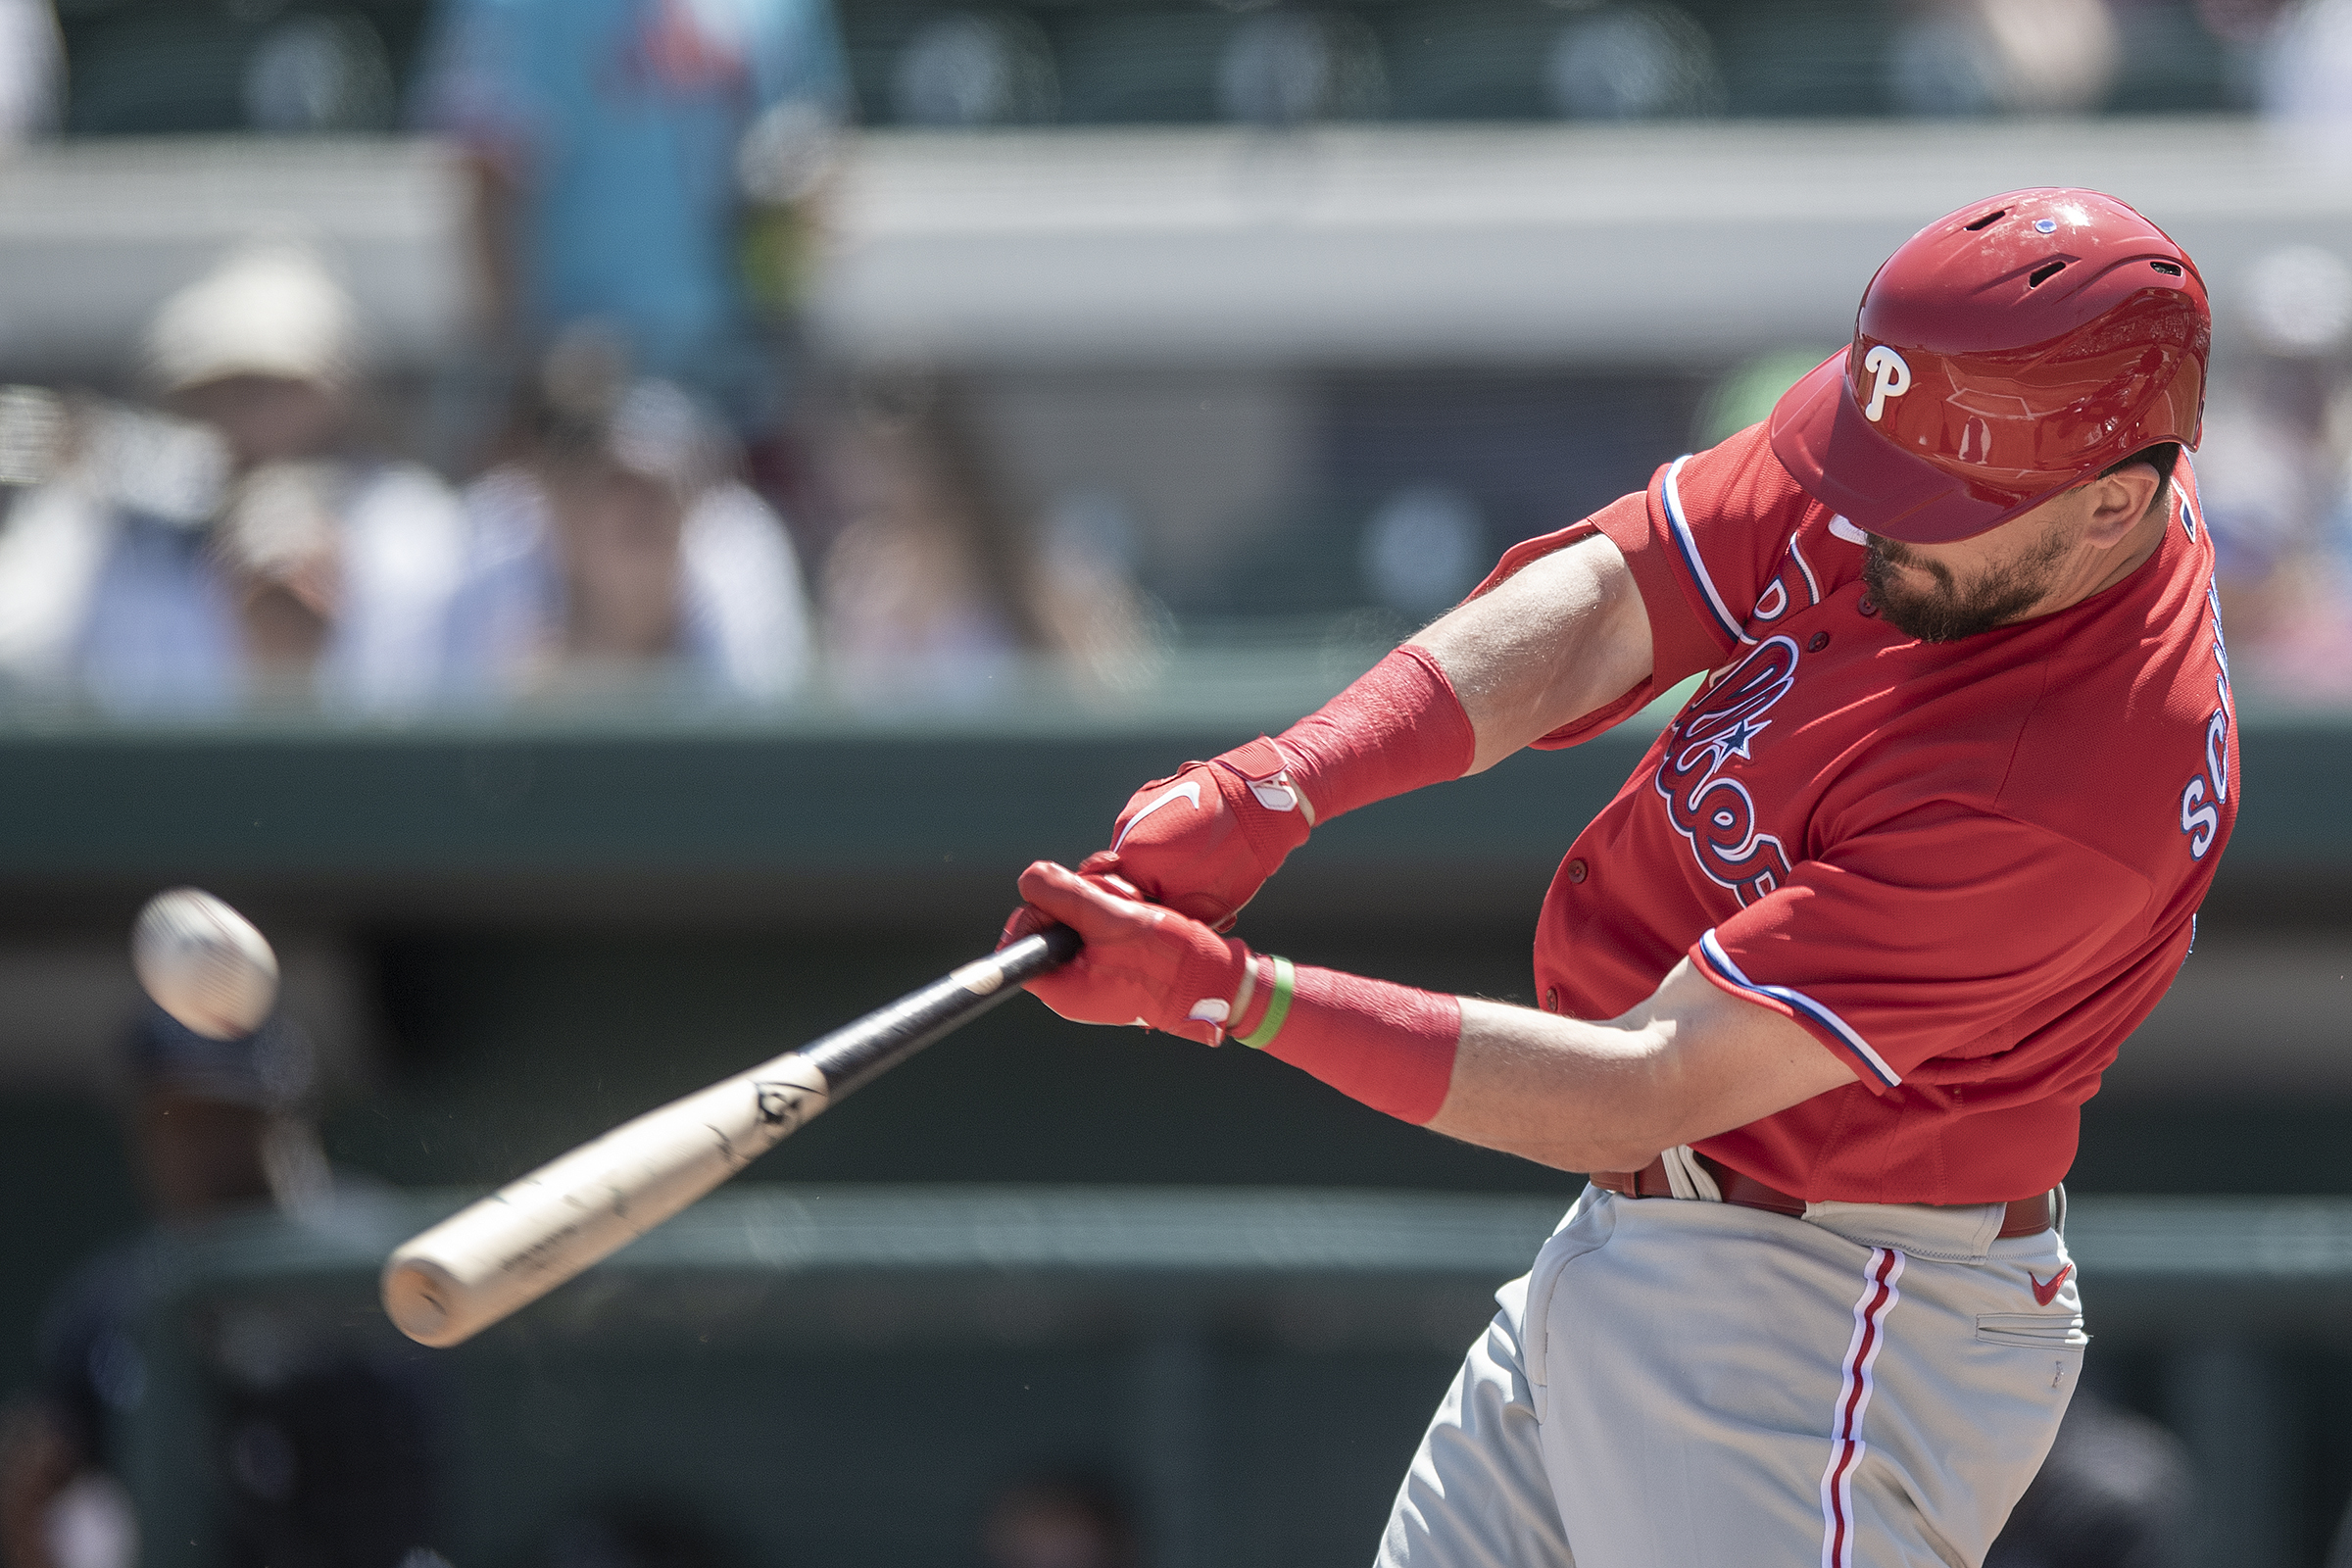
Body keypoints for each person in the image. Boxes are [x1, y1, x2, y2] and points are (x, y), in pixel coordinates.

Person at [1001, 188, 2230, 1566]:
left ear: (2118, 504)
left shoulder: (2077, 783)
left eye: (1933, 505)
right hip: (1665, 1235)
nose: (1875, 515)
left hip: (1830, 1310)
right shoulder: (1955, 457)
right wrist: (1281, 782)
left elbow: (1644, 1080)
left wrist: (1235, 997)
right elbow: (1608, 604)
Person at [0, 1006, 443, 1568]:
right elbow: (40, 1479)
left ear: (287, 1120)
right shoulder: (114, 1304)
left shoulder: (378, 1268)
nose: (202, 1153)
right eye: (175, 1123)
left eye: (227, 1120)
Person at [0, 241, 466, 714]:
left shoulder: (418, 526)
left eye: (276, 385)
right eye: (223, 385)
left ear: (338, 393)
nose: (249, 409)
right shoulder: (107, 523)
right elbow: (18, 655)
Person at [413, 0, 851, 443]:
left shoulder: (776, 10)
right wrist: (516, 363)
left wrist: (791, 347)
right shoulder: (517, 9)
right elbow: (488, 174)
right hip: (576, 371)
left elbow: (813, 159)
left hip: (735, 368)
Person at [436, 332, 812, 701]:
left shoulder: (734, 557)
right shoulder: (508, 556)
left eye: (660, 494)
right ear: (573, 516)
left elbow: (759, 729)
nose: (639, 513)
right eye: (617, 486)